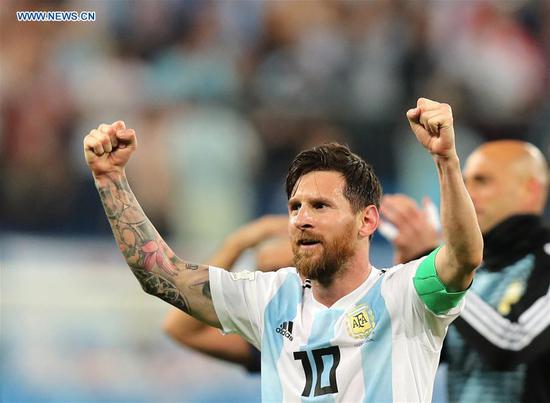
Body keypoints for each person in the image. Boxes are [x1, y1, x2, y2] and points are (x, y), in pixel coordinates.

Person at [83, 97, 483, 402]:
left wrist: (446, 160)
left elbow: (464, 256)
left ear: (367, 221)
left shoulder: (406, 294)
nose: (302, 218)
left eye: (320, 206)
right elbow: (161, 275)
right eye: (295, 207)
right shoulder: (269, 297)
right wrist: (110, 179)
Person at [380, 140, 550, 403]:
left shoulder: (544, 262)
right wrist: (410, 279)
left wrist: (435, 267)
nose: (467, 193)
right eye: (465, 181)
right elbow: (416, 355)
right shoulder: (480, 272)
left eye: (482, 181)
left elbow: (512, 343)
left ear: (530, 190)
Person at [164, 215, 292, 372]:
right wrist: (236, 244)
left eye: (292, 269)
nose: (278, 282)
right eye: (269, 273)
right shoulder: (274, 339)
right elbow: (180, 328)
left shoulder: (328, 324)